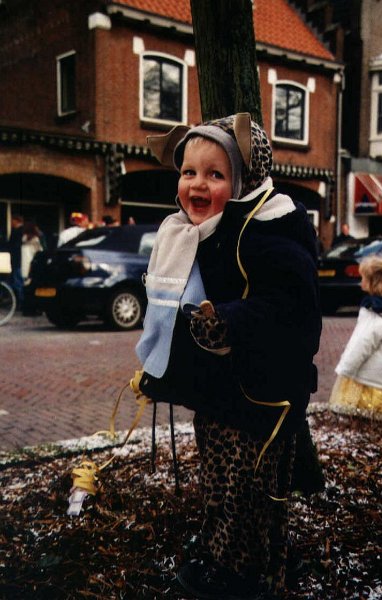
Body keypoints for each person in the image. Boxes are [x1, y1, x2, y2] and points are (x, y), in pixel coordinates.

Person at [133, 113, 321, 600]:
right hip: (221, 393)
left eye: (214, 174)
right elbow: (176, 312)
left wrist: (231, 320)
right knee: (222, 483)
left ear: (240, 182)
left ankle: (239, 575)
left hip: (260, 398)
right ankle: (235, 555)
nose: (197, 184)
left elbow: (290, 305)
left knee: (242, 490)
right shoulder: (195, 232)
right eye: (189, 172)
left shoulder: (267, 229)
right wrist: (161, 373)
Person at [329, 255, 382, 421]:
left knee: (363, 421)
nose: (360, 282)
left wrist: (345, 370)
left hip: (368, 382)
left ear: (373, 282)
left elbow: (361, 345)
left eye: (363, 278)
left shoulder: (375, 313)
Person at [8, 214, 24, 308]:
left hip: (17, 260)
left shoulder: (18, 231)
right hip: (16, 260)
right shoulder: (18, 231)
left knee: (18, 281)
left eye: (12, 221)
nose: (11, 223)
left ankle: (20, 302)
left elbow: (14, 246)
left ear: (16, 221)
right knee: (16, 281)